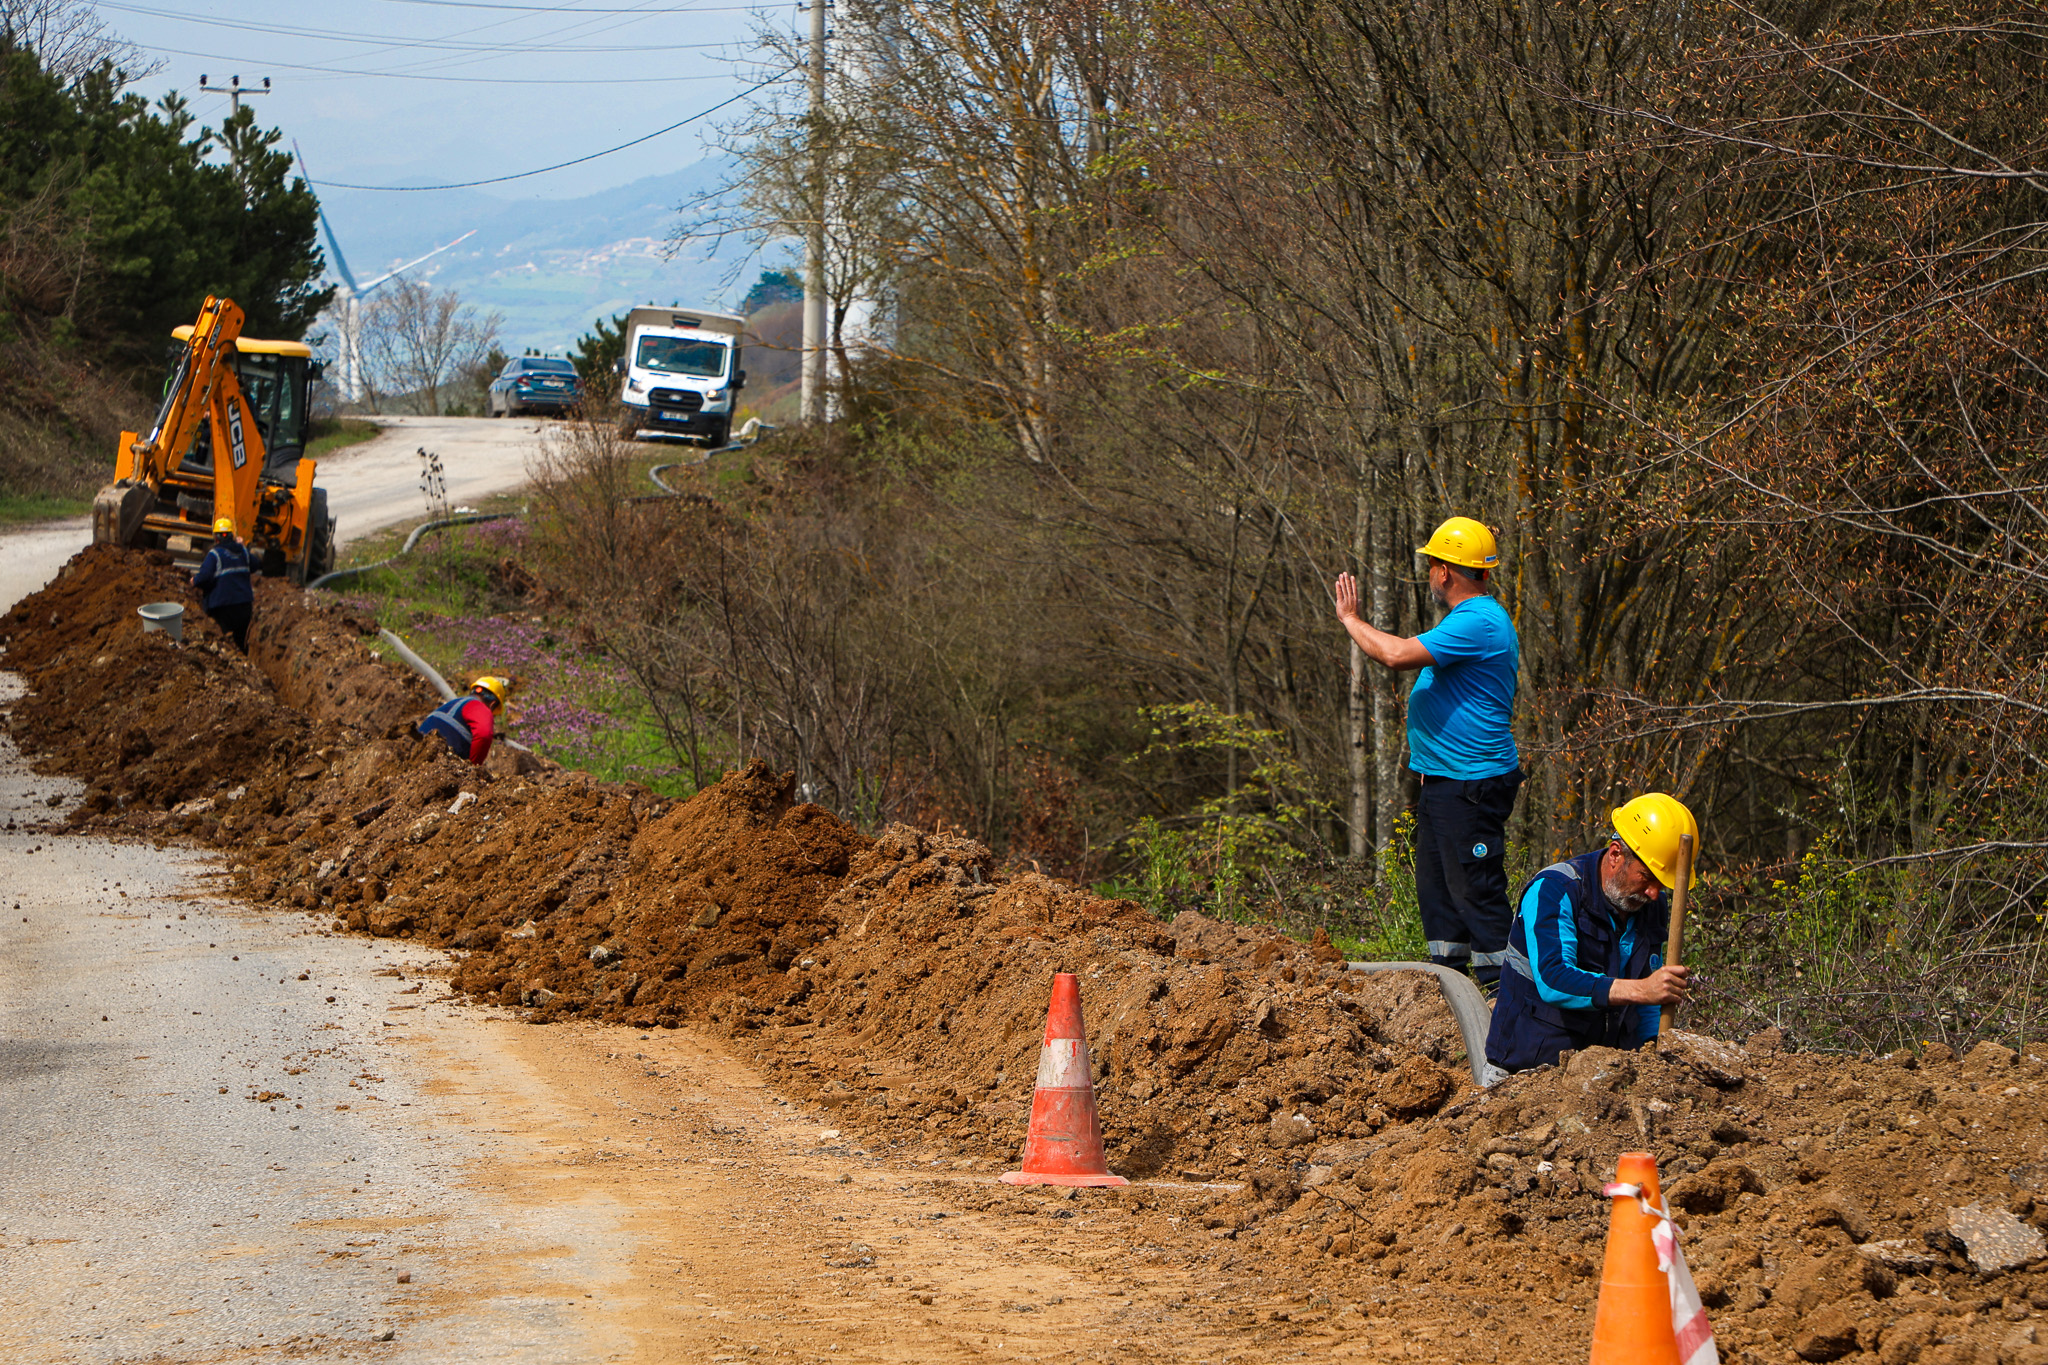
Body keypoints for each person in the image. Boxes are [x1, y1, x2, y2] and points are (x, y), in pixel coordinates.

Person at [1333, 515, 1523, 984]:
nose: (1430, 574)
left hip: (1473, 784)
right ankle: (1450, 984)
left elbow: (1394, 655)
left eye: (1433, 564)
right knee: (1439, 893)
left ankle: (1503, 997)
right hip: (1447, 782)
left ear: (1445, 572)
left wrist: (1350, 619)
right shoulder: (1467, 620)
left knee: (1475, 890)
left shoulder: (1479, 621)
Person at [1484, 793, 1699, 1076]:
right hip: (1525, 1070)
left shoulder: (1649, 903)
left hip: (1599, 1077)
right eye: (1647, 877)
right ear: (1615, 855)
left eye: (1662, 884)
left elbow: (1649, 997)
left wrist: (1653, 1049)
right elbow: (1554, 978)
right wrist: (1642, 990)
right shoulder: (1555, 889)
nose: (1654, 893)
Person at [192, 515, 254, 651]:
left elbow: (204, 577)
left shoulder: (215, 554)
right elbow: (257, 564)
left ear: (216, 537)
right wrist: (242, 547)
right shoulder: (243, 552)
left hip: (222, 608)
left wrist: (194, 581)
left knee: (223, 641)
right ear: (232, 535)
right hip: (244, 606)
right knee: (241, 642)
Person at [418, 676, 511, 765]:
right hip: (438, 761)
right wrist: (474, 768)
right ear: (492, 704)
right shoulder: (480, 707)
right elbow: (484, 735)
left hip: (417, 751)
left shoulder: (452, 703)